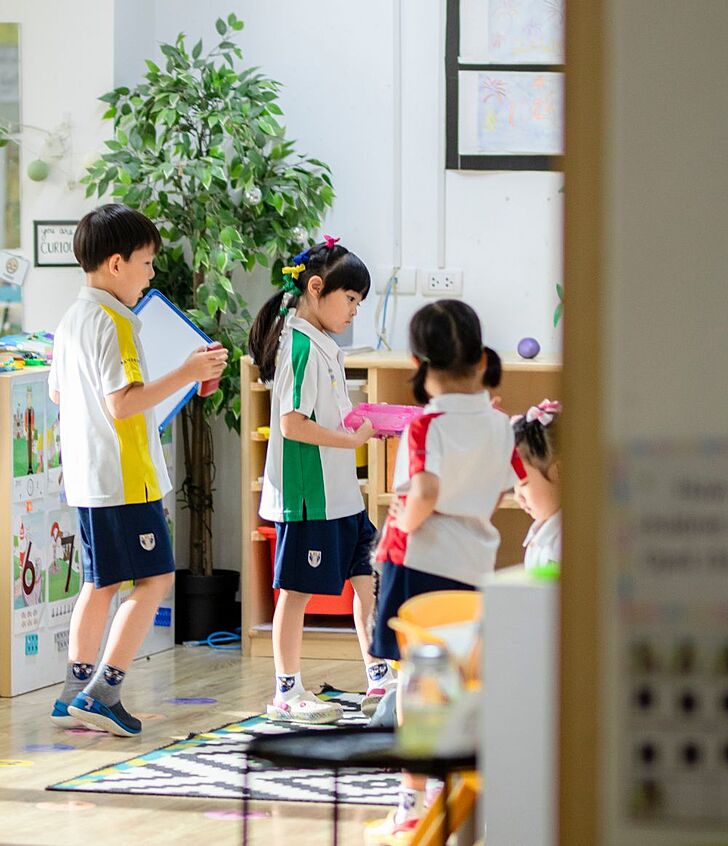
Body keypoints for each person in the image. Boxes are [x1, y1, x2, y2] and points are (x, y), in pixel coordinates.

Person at [49, 204, 228, 736]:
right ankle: (104, 692)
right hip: (125, 479)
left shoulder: (71, 318)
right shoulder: (115, 324)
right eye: (147, 262)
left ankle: (72, 695)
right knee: (152, 581)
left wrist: (184, 378)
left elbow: (61, 393)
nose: (152, 273)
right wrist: (188, 371)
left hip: (89, 477)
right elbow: (122, 404)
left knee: (99, 583)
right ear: (116, 263)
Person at [366, 300, 517, 842]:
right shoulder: (502, 425)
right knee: (459, 681)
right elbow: (502, 489)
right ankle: (447, 794)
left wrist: (398, 526)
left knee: (417, 684)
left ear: (416, 360)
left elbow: (424, 491)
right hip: (476, 567)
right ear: (480, 359)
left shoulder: (426, 425)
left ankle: (411, 801)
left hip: (421, 567)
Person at [249, 237, 389, 724]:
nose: (354, 311)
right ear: (316, 287)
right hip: (308, 498)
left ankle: (380, 677)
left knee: (369, 578)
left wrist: (365, 424)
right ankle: (286, 691)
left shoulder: (323, 342)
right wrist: (352, 443)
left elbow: (329, 413)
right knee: (296, 592)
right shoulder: (300, 344)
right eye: (350, 299)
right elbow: (292, 424)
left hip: (341, 496)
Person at [511, 399, 562, 568]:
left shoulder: (569, 539)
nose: (518, 496)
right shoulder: (541, 532)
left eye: (524, 483)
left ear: (560, 472)